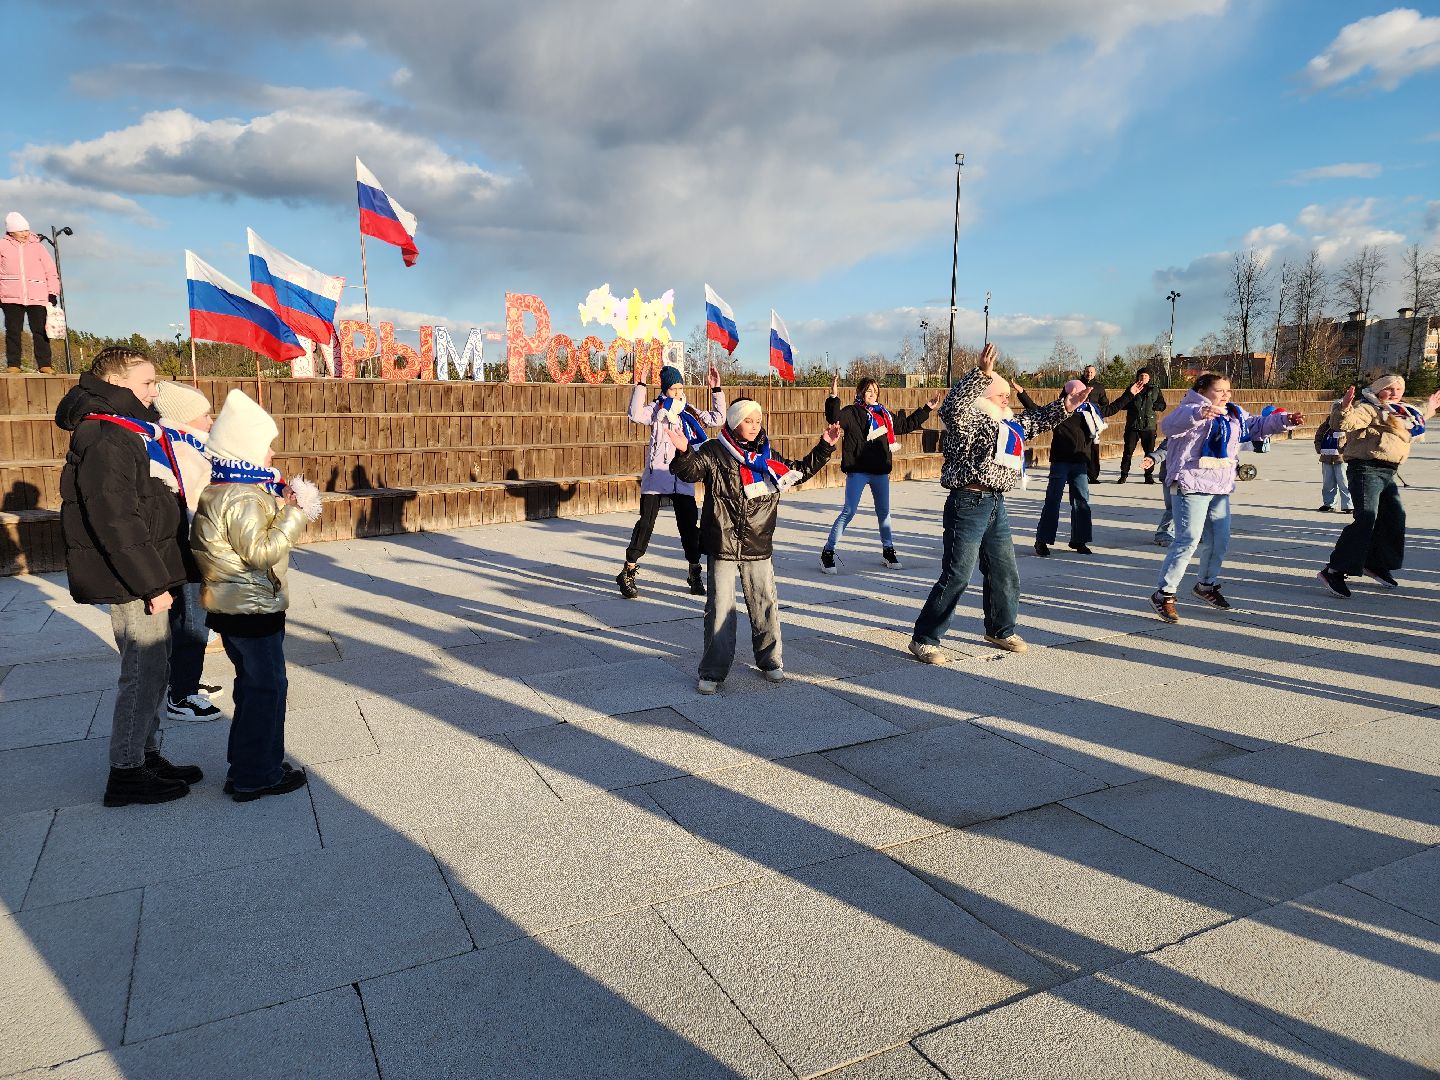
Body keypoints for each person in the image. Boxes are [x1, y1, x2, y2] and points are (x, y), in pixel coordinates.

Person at [54, 346, 203, 806]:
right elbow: (116, 520)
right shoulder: (105, 435)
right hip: (132, 579)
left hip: (145, 570)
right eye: (148, 382)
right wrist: (151, 584)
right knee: (141, 671)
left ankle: (146, 754)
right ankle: (126, 772)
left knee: (155, 670)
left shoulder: (124, 429)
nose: (155, 391)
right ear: (117, 383)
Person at [909, 344, 1088, 661]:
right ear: (983, 397)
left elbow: (1036, 420)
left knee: (1005, 571)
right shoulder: (969, 421)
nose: (1007, 399)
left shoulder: (1008, 423)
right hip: (968, 501)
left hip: (995, 503)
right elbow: (951, 407)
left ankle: (1000, 629)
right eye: (1000, 394)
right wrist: (982, 374)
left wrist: (1066, 406)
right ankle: (925, 638)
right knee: (957, 575)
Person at [191, 389, 320, 801]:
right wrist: (294, 514)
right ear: (245, 451)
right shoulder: (242, 497)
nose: (271, 455)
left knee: (253, 686)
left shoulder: (227, 490)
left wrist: (278, 505)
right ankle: (255, 774)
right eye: (266, 448)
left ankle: (253, 761)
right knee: (267, 688)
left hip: (236, 605)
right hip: (251, 608)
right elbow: (262, 551)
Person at [666, 397, 838, 693]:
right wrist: (682, 452)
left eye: (758, 420)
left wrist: (824, 446)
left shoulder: (768, 455)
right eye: (748, 420)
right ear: (734, 422)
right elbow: (689, 472)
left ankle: (770, 660)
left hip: (758, 540)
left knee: (764, 603)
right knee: (720, 608)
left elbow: (797, 472)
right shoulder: (714, 450)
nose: (754, 426)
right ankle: (712, 671)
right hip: (722, 539)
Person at [1149, 373, 1300, 622]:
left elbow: (1255, 427)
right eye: (1220, 391)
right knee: (1187, 540)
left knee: (1219, 540)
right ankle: (1163, 594)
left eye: (1228, 390)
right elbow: (1169, 426)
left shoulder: (1233, 412)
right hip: (1191, 483)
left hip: (1219, 486)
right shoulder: (1189, 408)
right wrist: (1200, 414)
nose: (1226, 395)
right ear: (1202, 390)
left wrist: (1285, 420)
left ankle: (1205, 585)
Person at [1317, 374, 1440, 598]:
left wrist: (1430, 406)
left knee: (1394, 517)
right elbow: (1344, 423)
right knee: (1366, 517)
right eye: (1389, 389)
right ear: (1377, 389)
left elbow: (1419, 415)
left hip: (1387, 472)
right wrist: (1344, 407)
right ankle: (1334, 570)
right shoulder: (1369, 408)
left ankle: (1374, 563)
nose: (1394, 393)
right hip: (1366, 469)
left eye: (1399, 389)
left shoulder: (1402, 411)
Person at [616, 363, 725, 599]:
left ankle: (694, 571)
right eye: (673, 388)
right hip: (657, 476)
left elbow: (717, 418)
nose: (677, 392)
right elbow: (635, 414)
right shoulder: (656, 410)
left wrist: (716, 390)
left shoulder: (689, 411)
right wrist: (640, 385)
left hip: (682, 477)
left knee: (688, 528)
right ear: (665, 389)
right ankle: (628, 570)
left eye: (680, 387)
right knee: (645, 524)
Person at [153, 381, 226, 721]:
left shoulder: (183, 444)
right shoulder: (183, 449)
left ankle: (184, 680)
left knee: (186, 617)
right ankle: (181, 695)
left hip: (185, 542)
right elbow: (195, 502)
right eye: (205, 414)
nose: (211, 421)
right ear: (184, 417)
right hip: (189, 544)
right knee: (192, 621)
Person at [819, 373, 939, 572]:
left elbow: (906, 425)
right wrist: (833, 396)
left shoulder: (884, 414)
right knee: (849, 511)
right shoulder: (851, 412)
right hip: (858, 470)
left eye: (875, 391)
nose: (872, 394)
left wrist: (927, 408)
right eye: (868, 391)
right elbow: (834, 418)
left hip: (880, 471)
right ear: (860, 392)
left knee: (884, 513)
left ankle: (888, 550)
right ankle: (828, 551)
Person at [1025, 374, 1143, 557]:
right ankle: (1042, 541)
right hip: (1060, 462)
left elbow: (1112, 408)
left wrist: (1130, 393)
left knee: (1081, 502)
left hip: (1080, 462)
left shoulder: (1090, 410)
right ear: (1068, 394)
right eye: (1077, 393)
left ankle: (1079, 541)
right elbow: (1036, 410)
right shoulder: (1058, 411)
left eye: (1083, 393)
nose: (1082, 396)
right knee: (1053, 501)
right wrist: (1022, 393)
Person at [1, 212, 60, 374]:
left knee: (40, 331)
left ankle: (45, 364)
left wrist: (52, 292)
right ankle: (13, 365)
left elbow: (51, 271)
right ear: (11, 232)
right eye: (21, 231)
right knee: (13, 331)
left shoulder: (38, 247)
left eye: (26, 230)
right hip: (10, 297)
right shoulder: (2, 246)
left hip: (38, 296)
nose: (25, 233)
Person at [1117, 368, 1167, 483]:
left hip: (1148, 425)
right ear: (1137, 377)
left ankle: (1148, 476)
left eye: (1145, 376)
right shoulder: (1131, 388)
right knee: (1128, 451)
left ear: (1149, 378)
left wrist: (1157, 406)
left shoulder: (1155, 389)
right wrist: (1130, 402)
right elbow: (1123, 403)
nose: (1143, 378)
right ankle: (1123, 475)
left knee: (1149, 452)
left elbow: (1162, 404)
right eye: (1141, 376)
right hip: (1133, 425)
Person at [1312, 417, 1352, 514]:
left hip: (1341, 458)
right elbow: (1318, 437)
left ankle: (1349, 505)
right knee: (1328, 482)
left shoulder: (1347, 424)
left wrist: (1346, 451)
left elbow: (1352, 439)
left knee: (1344, 482)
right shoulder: (1325, 425)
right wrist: (1319, 448)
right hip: (1326, 457)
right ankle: (1329, 504)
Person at [1080, 363, 1110, 482]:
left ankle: (1093, 475)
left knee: (1094, 449)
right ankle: (1076, 474)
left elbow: (1105, 404)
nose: (1089, 374)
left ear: (1095, 373)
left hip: (1093, 422)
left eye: (1091, 372)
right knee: (1079, 447)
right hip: (1079, 421)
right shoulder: (1077, 384)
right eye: (1087, 372)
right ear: (1084, 372)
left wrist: (1098, 412)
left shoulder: (1099, 387)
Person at [1142, 439, 1174, 546]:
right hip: (1173, 477)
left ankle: (1194, 533)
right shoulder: (1180, 428)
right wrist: (1152, 458)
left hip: (1197, 479)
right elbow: (1165, 449)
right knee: (1174, 507)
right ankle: (1164, 533)